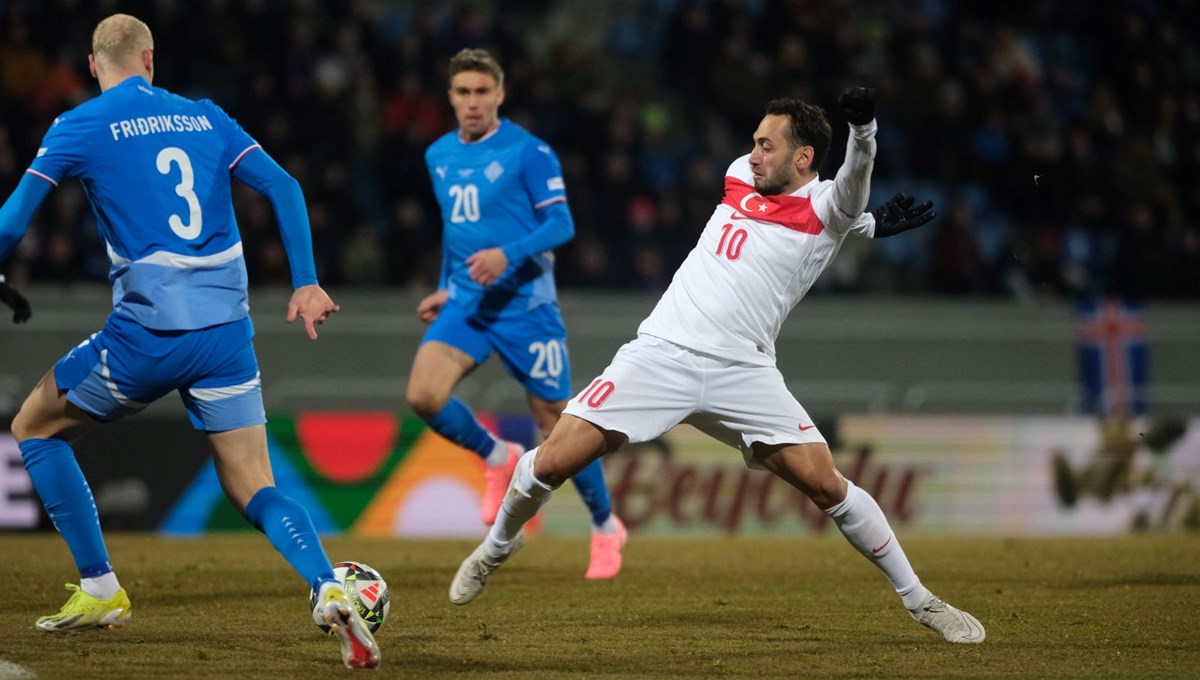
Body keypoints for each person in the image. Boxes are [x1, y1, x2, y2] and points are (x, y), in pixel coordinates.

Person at [448, 88, 987, 645]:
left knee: (827, 485)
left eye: (766, 146)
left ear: (803, 158)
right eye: (753, 143)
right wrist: (868, 223)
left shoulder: (829, 206)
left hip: (744, 371)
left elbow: (850, 185)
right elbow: (830, 208)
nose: (752, 154)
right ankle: (496, 548)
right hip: (662, 352)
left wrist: (865, 132)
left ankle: (921, 601)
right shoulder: (738, 175)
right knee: (552, 461)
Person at [0, 14, 380, 669]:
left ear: (95, 67)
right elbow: (285, 187)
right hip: (226, 335)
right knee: (252, 483)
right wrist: (307, 282)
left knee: (34, 427)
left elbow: (10, 223)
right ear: (149, 58)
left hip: (146, 335)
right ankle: (325, 586)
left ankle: (101, 589)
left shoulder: (79, 125)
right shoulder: (206, 116)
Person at [406, 48, 625, 579]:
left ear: (500, 94)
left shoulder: (530, 152)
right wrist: (444, 286)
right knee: (423, 395)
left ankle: (604, 524)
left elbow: (561, 225)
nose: (473, 102)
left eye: (483, 91)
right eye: (463, 92)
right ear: (451, 97)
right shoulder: (438, 154)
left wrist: (508, 253)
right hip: (468, 302)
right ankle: (497, 456)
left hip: (527, 307)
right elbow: (455, 233)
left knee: (557, 427)